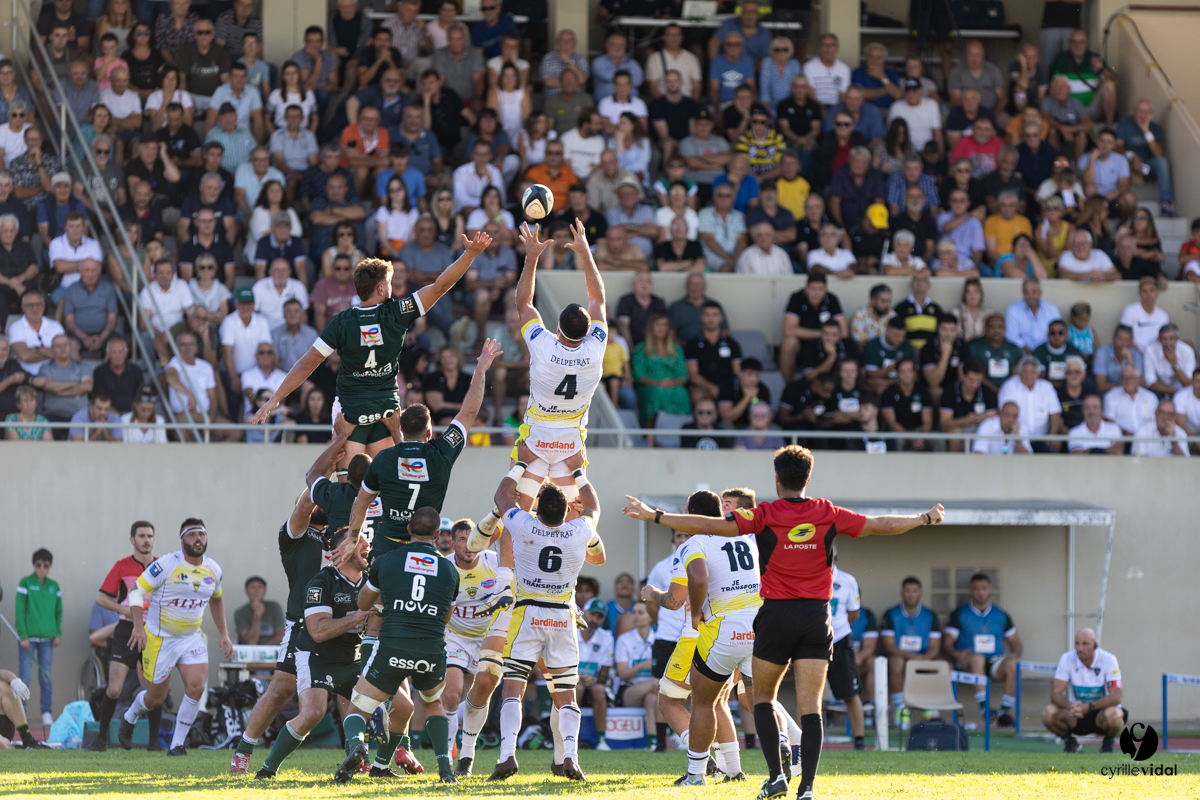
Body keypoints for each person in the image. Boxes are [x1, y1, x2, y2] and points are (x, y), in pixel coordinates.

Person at [623, 447, 945, 799]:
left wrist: (655, 516)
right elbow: (881, 525)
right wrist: (924, 518)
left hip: (772, 617)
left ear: (777, 480)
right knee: (811, 707)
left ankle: (764, 775)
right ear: (808, 478)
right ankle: (805, 785)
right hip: (814, 618)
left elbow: (707, 527)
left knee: (749, 698)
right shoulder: (827, 512)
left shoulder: (765, 514)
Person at [119, 520, 233, 754]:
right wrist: (138, 627)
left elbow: (217, 599)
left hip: (191, 638)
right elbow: (136, 591)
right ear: (182, 541)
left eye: (201, 534)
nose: (197, 539)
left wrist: (224, 633)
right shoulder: (166, 565)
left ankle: (177, 744)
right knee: (155, 699)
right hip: (161, 639)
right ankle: (130, 716)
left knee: (196, 687)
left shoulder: (214, 569)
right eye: (191, 535)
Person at [88, 521, 157, 751]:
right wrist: (125, 610)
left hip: (154, 631)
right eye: (141, 536)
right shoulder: (122, 566)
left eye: (150, 536)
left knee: (155, 686)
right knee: (114, 688)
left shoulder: (163, 566)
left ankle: (154, 742)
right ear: (132, 540)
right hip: (127, 629)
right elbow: (101, 598)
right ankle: (102, 738)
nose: (146, 540)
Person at [942, 572, 1021, 726]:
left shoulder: (1000, 614)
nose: (980, 592)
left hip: (994, 661)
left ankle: (1004, 714)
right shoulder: (960, 614)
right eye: (976, 588)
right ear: (971, 591)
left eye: (984, 588)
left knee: (1015, 664)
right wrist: (956, 654)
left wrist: (1014, 655)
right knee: (977, 658)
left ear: (990, 589)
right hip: (968, 662)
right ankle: (985, 711)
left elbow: (1016, 643)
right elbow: (947, 643)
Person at [1041, 628, 1125, 753]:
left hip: (1101, 714)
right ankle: (1070, 743)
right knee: (1048, 713)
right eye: (1077, 643)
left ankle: (1108, 742)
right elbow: (1055, 694)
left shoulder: (1109, 659)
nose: (1080, 648)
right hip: (1076, 714)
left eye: (1085, 644)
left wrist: (1089, 706)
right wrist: (1070, 706)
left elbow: (1116, 696)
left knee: (1115, 715)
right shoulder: (1067, 658)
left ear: (1095, 644)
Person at [880, 576, 942, 723]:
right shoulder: (891, 614)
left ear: (920, 593)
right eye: (908, 591)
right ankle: (901, 708)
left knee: (936, 666)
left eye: (914, 591)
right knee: (896, 663)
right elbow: (889, 646)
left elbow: (934, 646)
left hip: (923, 657)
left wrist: (925, 658)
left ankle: (928, 707)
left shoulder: (930, 615)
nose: (911, 594)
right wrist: (911, 656)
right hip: (900, 655)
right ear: (902, 593)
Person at [14, 548, 62, 726]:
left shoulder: (54, 586)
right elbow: (19, 610)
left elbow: (59, 612)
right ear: (34, 565)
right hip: (28, 640)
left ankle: (46, 713)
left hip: (47, 640)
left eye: (46, 565)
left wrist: (57, 633)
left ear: (49, 567)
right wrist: (23, 635)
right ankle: (21, 713)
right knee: (24, 678)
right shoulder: (25, 583)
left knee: (45, 676)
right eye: (38, 565)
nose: (42, 568)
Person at [1117, 98, 1173, 216]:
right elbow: (1118, 147)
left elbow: (1158, 154)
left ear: (1151, 113)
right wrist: (1132, 157)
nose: (1143, 115)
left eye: (1147, 112)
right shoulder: (1125, 123)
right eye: (1140, 111)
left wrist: (1147, 131)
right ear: (1134, 111)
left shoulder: (1155, 128)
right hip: (1126, 165)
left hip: (1144, 167)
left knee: (1161, 162)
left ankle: (1165, 202)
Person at [1120, 276, 1171, 354]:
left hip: (1156, 353)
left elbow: (1163, 338)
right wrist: (1139, 353)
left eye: (1152, 290)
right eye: (1144, 291)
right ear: (1139, 293)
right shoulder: (1130, 311)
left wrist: (1150, 354)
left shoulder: (1163, 315)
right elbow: (1124, 336)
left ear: (1157, 292)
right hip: (1134, 351)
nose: (1148, 294)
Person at [802, 33, 850, 108]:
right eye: (824, 45)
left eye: (832, 45)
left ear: (837, 49)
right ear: (819, 48)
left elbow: (843, 95)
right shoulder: (809, 66)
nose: (828, 48)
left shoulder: (844, 68)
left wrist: (834, 111)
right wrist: (822, 109)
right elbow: (811, 94)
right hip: (815, 107)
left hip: (837, 109)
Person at [233, 577, 284, 646]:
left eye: (260, 587)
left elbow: (281, 636)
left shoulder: (274, 607)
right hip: (249, 653)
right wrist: (257, 614)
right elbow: (251, 642)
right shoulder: (240, 612)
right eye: (252, 587)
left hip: (272, 652)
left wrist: (263, 650)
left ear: (265, 591)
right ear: (246, 591)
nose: (256, 590)